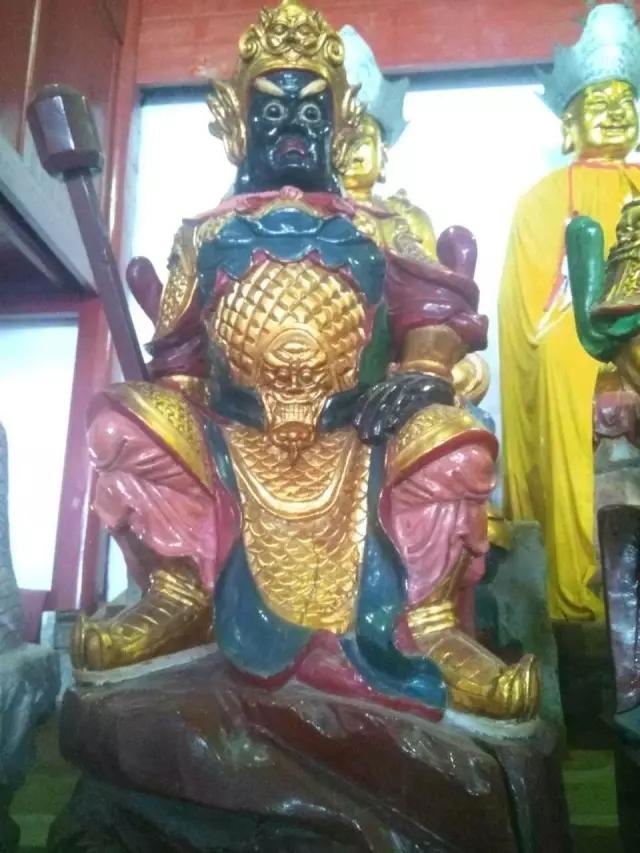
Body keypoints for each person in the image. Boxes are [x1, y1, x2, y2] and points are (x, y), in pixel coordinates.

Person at [73, 0, 538, 721]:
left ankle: (430, 625)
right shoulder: (203, 234)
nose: (292, 124)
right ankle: (180, 595)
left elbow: (436, 316)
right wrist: (179, 414)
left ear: (340, 122)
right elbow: (181, 360)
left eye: (311, 109)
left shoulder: (381, 226)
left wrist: (422, 373)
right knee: (119, 421)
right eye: (272, 108)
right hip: (237, 445)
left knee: (458, 440)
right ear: (238, 124)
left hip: (359, 441)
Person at [499, 2, 640, 621]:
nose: (615, 111)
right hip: (580, 333)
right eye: (598, 101)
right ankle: (581, 579)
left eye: (625, 100)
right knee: (566, 357)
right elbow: (530, 314)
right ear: (568, 124)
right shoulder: (543, 199)